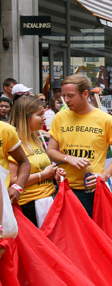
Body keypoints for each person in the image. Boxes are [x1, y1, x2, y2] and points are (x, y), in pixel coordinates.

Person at [47, 74, 112, 217]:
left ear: (85, 94)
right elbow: (51, 151)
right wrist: (68, 158)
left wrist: (104, 175)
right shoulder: (60, 117)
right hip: (64, 189)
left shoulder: (105, 119)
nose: (66, 100)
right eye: (64, 95)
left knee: (95, 237)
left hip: (91, 191)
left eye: (70, 96)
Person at [7, 96, 65, 227]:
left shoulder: (36, 139)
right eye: (40, 115)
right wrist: (43, 175)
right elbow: (12, 180)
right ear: (25, 117)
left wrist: (54, 172)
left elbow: (40, 168)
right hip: (28, 206)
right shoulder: (13, 144)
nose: (44, 118)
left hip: (48, 201)